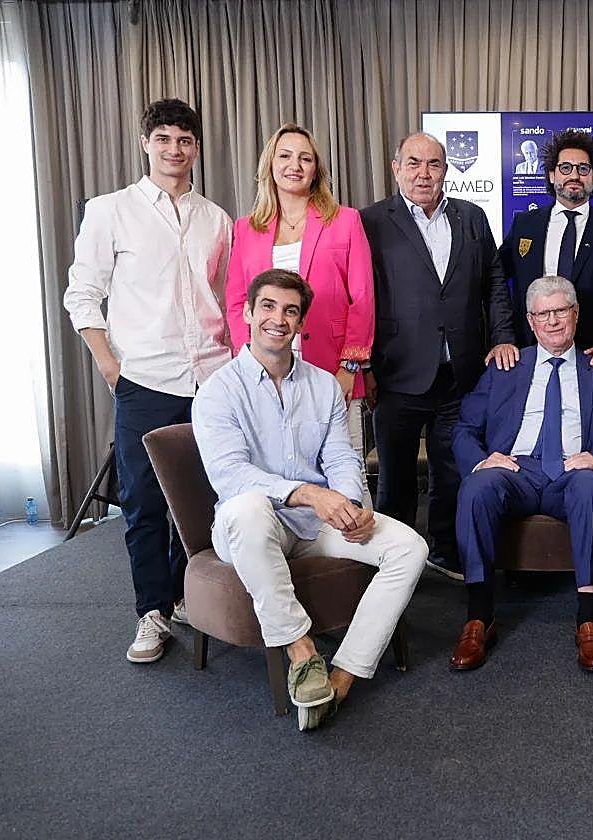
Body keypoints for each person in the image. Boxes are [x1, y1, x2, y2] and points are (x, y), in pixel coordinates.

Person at [193, 269, 427, 731]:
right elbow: (231, 475)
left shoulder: (324, 386)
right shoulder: (218, 390)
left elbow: (342, 456)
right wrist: (309, 494)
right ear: (246, 313)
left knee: (409, 547)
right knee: (249, 508)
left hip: (315, 525)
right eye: (268, 306)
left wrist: (351, 505)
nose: (278, 319)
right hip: (251, 529)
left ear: (301, 323)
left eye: (290, 311)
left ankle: (340, 677)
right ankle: (301, 652)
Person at [63, 98, 231, 664]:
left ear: (196, 148)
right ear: (146, 144)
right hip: (145, 378)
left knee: (205, 496)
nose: (174, 149)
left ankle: (186, 594)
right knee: (143, 502)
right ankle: (151, 611)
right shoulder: (111, 211)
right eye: (163, 139)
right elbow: (82, 295)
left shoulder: (216, 218)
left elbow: (230, 302)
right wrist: (110, 364)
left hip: (211, 377)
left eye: (184, 140)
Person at [449, 277, 593, 673]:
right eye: (543, 314)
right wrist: (482, 461)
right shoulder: (506, 366)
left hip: (573, 470)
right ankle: (479, 617)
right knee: (477, 488)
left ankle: (589, 619)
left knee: (590, 484)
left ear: (576, 315)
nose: (552, 321)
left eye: (560, 311)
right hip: (516, 470)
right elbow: (463, 428)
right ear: (530, 321)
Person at [360, 132, 518, 580]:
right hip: (398, 369)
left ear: (446, 171)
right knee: (395, 477)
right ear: (396, 168)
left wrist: (502, 336)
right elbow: (361, 295)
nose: (423, 173)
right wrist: (364, 365)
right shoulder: (371, 221)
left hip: (460, 371)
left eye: (433, 164)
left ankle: (445, 552)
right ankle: (393, 563)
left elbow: (493, 281)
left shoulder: (471, 217)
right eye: (413, 163)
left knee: (452, 470)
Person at [224, 123, 374, 498]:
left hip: (332, 368)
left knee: (345, 467)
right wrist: (251, 365)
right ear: (270, 165)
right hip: (266, 373)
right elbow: (237, 302)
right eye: (285, 156)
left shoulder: (345, 221)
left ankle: (355, 545)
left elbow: (363, 299)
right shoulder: (246, 229)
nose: (295, 165)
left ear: (316, 169)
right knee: (277, 471)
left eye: (305, 158)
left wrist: (348, 368)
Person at [500, 129, 593, 366]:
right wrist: (504, 338)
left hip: (589, 357)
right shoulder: (525, 225)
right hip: (527, 352)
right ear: (552, 175)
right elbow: (496, 284)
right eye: (565, 168)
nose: (574, 175)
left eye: (583, 169)